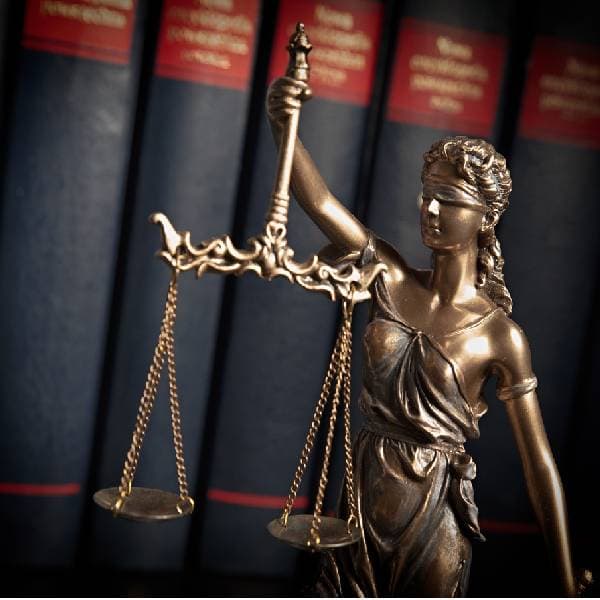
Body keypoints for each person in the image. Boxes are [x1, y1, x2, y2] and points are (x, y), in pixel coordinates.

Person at [266, 76, 582, 597]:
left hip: (434, 514)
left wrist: (566, 580)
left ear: (486, 219)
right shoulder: (387, 275)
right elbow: (320, 204)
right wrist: (284, 126)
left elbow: (539, 463)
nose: (431, 211)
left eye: (450, 200)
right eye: (428, 195)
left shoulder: (501, 337)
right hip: (361, 502)